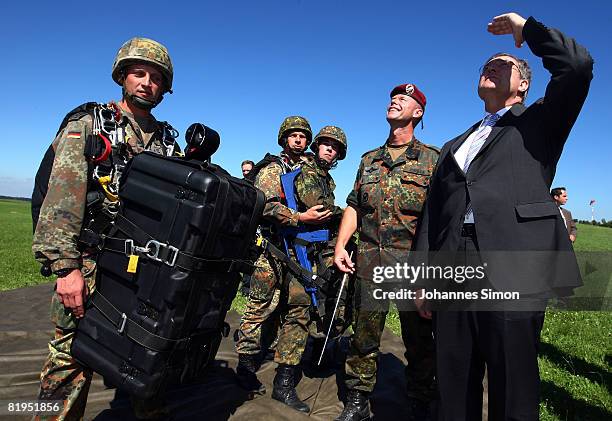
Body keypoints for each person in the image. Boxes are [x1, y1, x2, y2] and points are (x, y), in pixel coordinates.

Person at [412, 13, 593, 421]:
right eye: (485, 65)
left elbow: (578, 67)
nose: (490, 67)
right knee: (454, 377)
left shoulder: (540, 121)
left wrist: (526, 30)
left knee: (513, 378)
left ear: (523, 83)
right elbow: (432, 214)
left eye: (502, 64)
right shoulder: (453, 144)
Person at [32, 37, 180, 421]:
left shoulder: (168, 141)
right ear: (122, 77)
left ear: (165, 88)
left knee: (147, 355)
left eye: (156, 78)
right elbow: (61, 201)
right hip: (91, 262)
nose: (147, 82)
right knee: (71, 358)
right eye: (139, 73)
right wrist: (66, 269)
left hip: (146, 269)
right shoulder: (90, 124)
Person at [334, 84, 440, 421]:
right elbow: (353, 206)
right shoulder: (369, 160)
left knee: (420, 341)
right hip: (369, 261)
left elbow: (440, 219)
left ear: (418, 112)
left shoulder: (432, 160)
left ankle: (421, 400)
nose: (395, 100)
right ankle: (357, 399)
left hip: (411, 265)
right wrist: (340, 245)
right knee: (363, 335)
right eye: (393, 97)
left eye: (404, 99)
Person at [235, 116, 331, 412]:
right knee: (260, 307)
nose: (299, 140)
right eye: (294, 135)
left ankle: (284, 380)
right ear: (284, 138)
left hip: (297, 251)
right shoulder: (274, 168)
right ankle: (246, 368)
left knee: (298, 307)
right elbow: (264, 204)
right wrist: (300, 218)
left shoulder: (307, 172)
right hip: (270, 251)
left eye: (304, 136)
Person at [294, 126, 348, 341]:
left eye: (335, 148)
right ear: (317, 146)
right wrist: (347, 214)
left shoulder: (325, 177)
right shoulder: (306, 170)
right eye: (326, 145)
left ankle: (323, 339)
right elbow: (317, 208)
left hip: (320, 244)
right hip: (304, 247)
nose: (330, 150)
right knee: (309, 301)